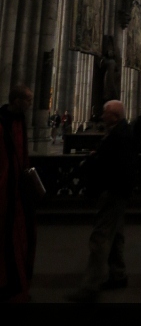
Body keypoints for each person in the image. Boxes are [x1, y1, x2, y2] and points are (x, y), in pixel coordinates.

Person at [67, 100, 135, 303]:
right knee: (116, 235)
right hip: (118, 191)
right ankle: (118, 274)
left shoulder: (120, 134)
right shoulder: (121, 131)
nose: (102, 116)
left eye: (106, 113)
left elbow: (116, 164)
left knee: (100, 238)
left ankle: (90, 286)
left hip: (113, 191)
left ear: (115, 116)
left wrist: (97, 160)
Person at [0, 84, 36, 303]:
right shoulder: (3, 123)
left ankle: (17, 286)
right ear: (17, 101)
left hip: (18, 193)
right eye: (28, 100)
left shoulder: (20, 121)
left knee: (21, 240)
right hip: (5, 192)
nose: (31, 104)